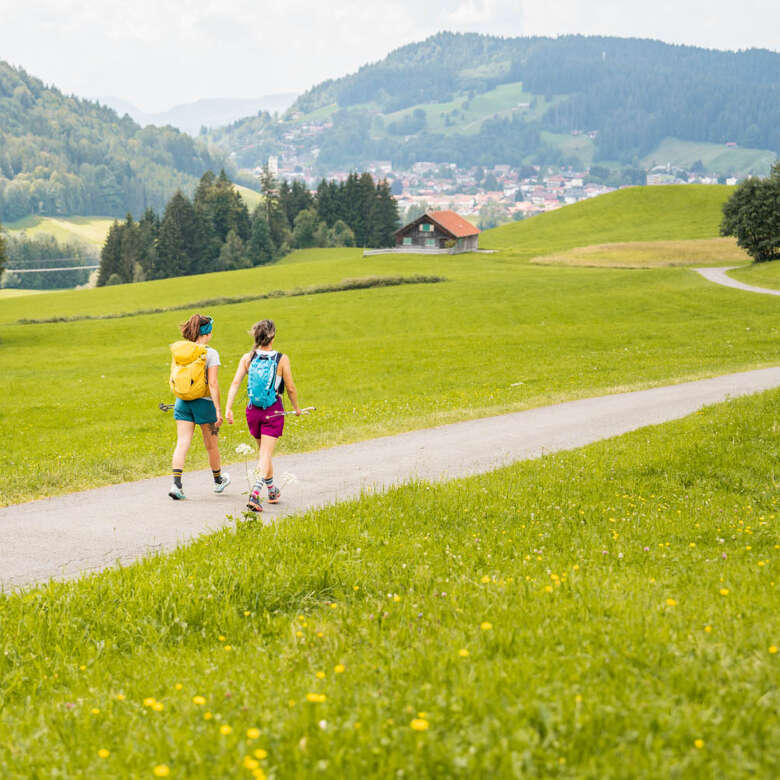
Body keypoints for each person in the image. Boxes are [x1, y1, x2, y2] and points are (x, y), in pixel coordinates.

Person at [225, 319, 301, 512]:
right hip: (273, 411)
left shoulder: (247, 358)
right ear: (272, 336)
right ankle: (255, 494)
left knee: (263, 455)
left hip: (253, 412)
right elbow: (290, 388)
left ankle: (272, 490)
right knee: (265, 455)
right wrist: (296, 408)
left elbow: (235, 383)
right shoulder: (281, 359)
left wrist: (228, 407)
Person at [168, 313, 230, 500]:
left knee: (182, 443)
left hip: (182, 401)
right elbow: (212, 384)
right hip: (205, 404)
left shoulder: (180, 351)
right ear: (207, 333)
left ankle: (176, 485)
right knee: (211, 446)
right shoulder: (210, 353)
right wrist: (218, 409)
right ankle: (218, 481)